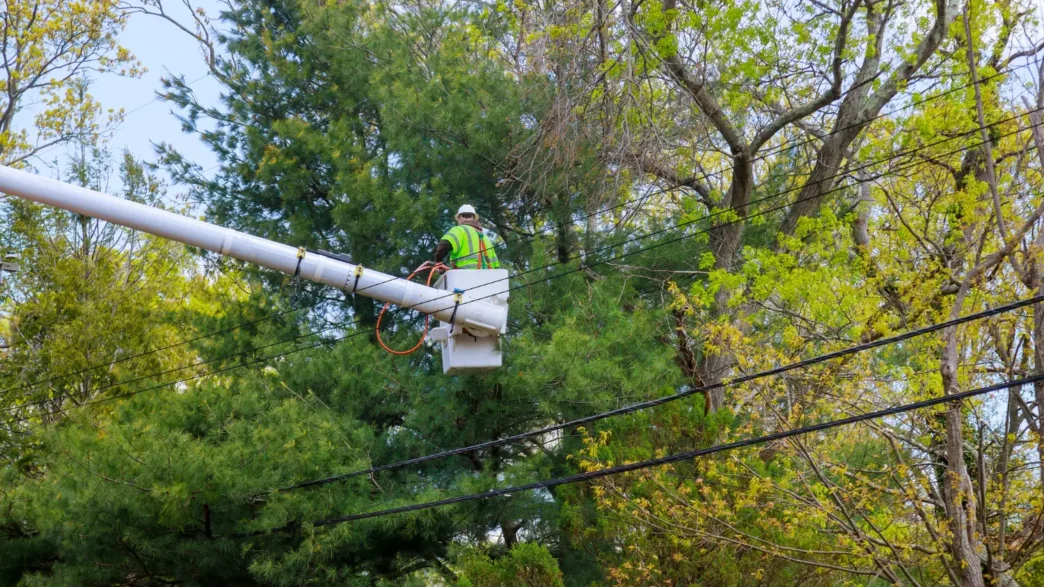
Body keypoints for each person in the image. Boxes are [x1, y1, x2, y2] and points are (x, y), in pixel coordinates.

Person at [434, 204, 500, 269]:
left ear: (459, 218)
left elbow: (445, 243)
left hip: (465, 277)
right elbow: (496, 266)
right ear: (474, 218)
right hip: (489, 278)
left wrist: (438, 261)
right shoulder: (486, 238)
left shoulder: (460, 230)